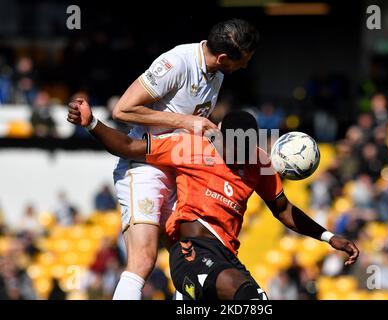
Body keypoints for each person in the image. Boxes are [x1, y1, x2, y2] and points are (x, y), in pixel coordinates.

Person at [67, 101, 359, 300]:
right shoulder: (189, 147)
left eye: (247, 146)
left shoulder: (259, 163)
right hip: (191, 251)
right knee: (248, 297)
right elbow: (129, 146)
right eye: (234, 147)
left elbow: (283, 209)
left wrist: (328, 236)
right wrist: (92, 122)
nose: (240, 155)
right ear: (221, 136)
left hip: (227, 256)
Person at [73, 19, 259, 299]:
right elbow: (123, 110)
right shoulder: (177, 63)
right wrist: (185, 122)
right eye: (242, 61)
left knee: (191, 254)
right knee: (143, 259)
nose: (243, 67)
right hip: (144, 165)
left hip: (179, 166)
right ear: (223, 57)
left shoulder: (217, 75)